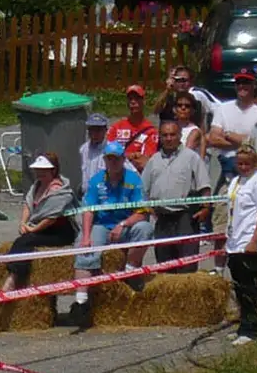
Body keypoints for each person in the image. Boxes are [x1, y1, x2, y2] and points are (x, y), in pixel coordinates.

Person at [71, 142, 152, 326]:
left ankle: (130, 273)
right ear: (105, 160)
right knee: (85, 245)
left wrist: (123, 224)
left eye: (116, 158)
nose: (113, 162)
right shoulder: (96, 180)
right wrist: (86, 236)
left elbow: (143, 211)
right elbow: (89, 210)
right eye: (109, 159)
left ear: (123, 159)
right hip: (102, 224)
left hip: (126, 225)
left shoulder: (134, 179)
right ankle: (81, 300)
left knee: (145, 229)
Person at [139, 120, 215, 272]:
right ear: (159, 137)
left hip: (186, 217)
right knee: (164, 265)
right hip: (162, 219)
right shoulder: (153, 160)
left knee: (187, 265)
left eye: (172, 134)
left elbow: (204, 186)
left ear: (180, 136)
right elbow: (142, 189)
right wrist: (148, 208)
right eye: (165, 135)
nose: (168, 138)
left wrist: (206, 208)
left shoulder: (191, 157)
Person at [2, 153, 76, 290]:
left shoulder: (58, 190)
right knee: (25, 240)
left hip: (59, 232)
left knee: (25, 240)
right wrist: (23, 223)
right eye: (38, 170)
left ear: (53, 171)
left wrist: (33, 229)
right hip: (42, 228)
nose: (39, 173)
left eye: (44, 170)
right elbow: (28, 204)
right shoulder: (36, 186)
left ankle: (14, 278)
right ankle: (16, 273)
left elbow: (51, 218)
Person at [225, 145, 257, 344]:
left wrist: (254, 240)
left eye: (247, 163)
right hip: (234, 241)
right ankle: (243, 325)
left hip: (250, 241)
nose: (243, 167)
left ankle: (252, 329)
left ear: (255, 163)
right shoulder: (236, 181)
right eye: (240, 163)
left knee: (250, 286)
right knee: (239, 286)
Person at [207, 71, 257, 178]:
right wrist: (245, 143)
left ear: (254, 85)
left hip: (251, 164)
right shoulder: (223, 108)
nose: (241, 86)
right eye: (238, 83)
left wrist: (228, 135)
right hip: (227, 162)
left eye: (245, 82)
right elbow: (213, 139)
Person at [106, 85, 158, 167]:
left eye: (137, 98)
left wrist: (122, 156)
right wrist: (129, 156)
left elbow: (145, 161)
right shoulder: (116, 127)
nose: (133, 102)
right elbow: (108, 154)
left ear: (143, 101)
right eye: (130, 99)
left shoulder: (151, 131)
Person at [77, 113, 110, 190]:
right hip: (86, 196)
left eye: (98, 130)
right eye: (92, 130)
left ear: (105, 130)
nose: (95, 134)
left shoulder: (112, 150)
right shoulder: (83, 149)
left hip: (105, 196)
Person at [169, 93, 208, 157]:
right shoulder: (169, 128)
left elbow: (185, 155)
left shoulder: (195, 131)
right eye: (179, 105)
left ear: (192, 111)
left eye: (187, 106)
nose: (183, 108)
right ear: (174, 109)